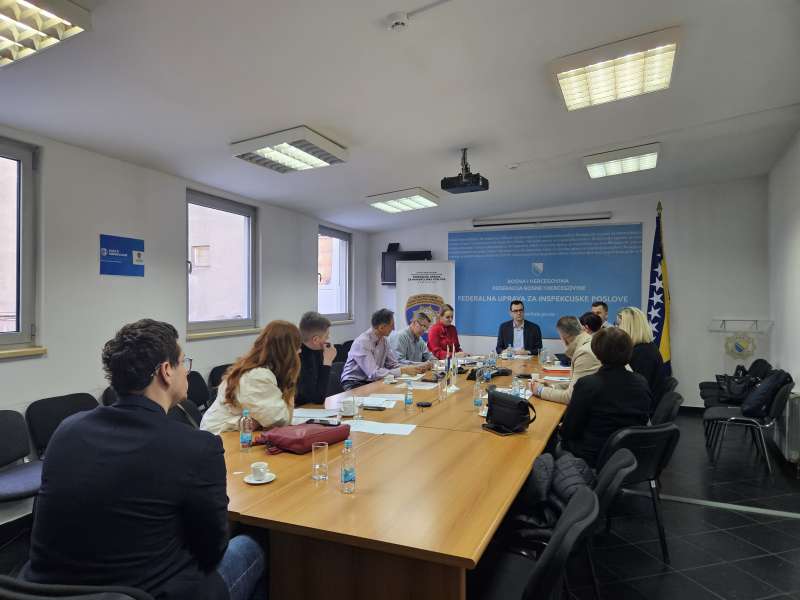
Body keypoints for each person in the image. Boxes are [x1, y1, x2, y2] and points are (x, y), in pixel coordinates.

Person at [22, 319, 265, 600]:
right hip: (146, 593)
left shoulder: (67, 430)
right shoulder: (197, 447)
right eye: (183, 363)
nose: (187, 371)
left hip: (47, 593)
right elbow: (213, 550)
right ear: (166, 371)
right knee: (254, 544)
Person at [559, 327, 651, 467]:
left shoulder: (588, 384)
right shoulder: (641, 382)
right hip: (631, 454)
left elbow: (569, 431)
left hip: (592, 456)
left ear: (596, 353)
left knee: (551, 445)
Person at [201, 320, 301, 434]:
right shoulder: (257, 376)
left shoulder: (259, 368)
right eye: (297, 348)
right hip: (220, 435)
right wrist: (290, 380)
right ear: (287, 351)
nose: (299, 352)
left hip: (233, 431)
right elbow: (280, 419)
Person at [341, 308, 427, 390]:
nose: (394, 328)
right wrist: (403, 371)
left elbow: (393, 365)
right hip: (354, 383)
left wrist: (414, 367)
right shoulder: (363, 342)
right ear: (381, 327)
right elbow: (373, 373)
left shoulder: (384, 340)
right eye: (391, 325)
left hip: (371, 381)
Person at [530, 316, 600, 405]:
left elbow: (571, 397)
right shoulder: (588, 343)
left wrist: (540, 390)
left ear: (564, 337)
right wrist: (551, 386)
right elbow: (577, 384)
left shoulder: (584, 353)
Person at [616, 306, 667, 409]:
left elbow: (637, 389)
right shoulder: (644, 348)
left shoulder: (642, 354)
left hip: (642, 409)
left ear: (630, 327)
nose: (616, 328)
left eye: (618, 324)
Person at [295, 311, 338, 406]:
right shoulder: (297, 357)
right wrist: (327, 362)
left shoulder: (317, 350)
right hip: (299, 409)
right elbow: (318, 399)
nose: (328, 338)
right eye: (326, 336)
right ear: (315, 340)